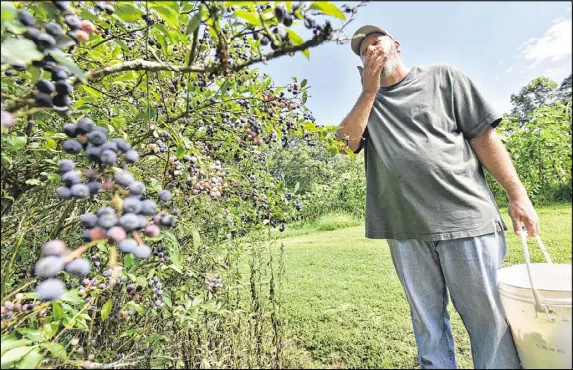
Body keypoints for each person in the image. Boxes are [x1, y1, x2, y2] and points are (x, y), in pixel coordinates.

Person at [336, 24, 540, 369]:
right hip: (406, 231)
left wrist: (518, 194)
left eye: (376, 42)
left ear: (396, 44)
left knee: (489, 322)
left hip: (467, 221)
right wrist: (368, 92)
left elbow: (484, 139)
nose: (371, 49)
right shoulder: (366, 106)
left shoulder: (444, 78)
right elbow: (343, 146)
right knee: (427, 327)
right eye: (363, 50)